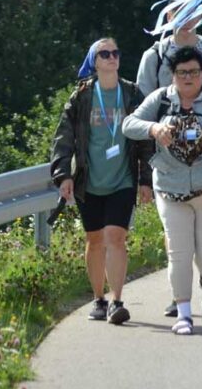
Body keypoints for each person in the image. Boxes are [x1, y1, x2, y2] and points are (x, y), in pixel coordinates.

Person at [123, 46, 202, 335]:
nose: (188, 77)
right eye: (181, 73)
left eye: (193, 72)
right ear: (173, 75)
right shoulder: (161, 99)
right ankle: (184, 313)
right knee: (179, 254)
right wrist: (154, 129)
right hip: (170, 189)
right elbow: (129, 124)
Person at [51, 38, 153, 325]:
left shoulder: (132, 94)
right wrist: (63, 174)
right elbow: (63, 137)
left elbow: (146, 139)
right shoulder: (82, 97)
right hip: (89, 181)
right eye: (104, 54)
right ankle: (99, 299)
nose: (111, 57)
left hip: (123, 179)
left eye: (115, 53)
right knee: (94, 240)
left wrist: (145, 180)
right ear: (94, 62)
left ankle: (117, 301)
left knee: (115, 237)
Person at [136, 14, 202, 96]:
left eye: (191, 13)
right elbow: (143, 99)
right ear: (169, 17)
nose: (185, 21)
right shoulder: (154, 56)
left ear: (199, 16)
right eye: (179, 13)